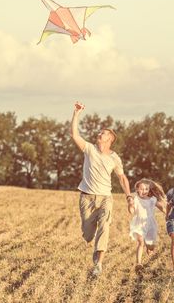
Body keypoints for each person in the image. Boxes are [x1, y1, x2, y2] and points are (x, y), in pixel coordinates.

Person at [71, 101, 133, 276]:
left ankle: (99, 263)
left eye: (103, 133)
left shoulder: (114, 158)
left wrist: (128, 197)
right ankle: (92, 245)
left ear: (110, 140)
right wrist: (76, 113)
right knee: (88, 234)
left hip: (106, 197)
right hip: (87, 197)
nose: (99, 134)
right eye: (100, 132)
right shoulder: (89, 149)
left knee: (105, 225)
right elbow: (75, 134)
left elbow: (122, 177)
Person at [128, 178, 166, 270]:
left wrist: (166, 213)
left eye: (146, 189)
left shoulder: (152, 199)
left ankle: (149, 247)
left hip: (150, 224)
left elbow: (161, 207)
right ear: (137, 189)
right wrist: (130, 204)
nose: (144, 191)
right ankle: (138, 263)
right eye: (141, 189)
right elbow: (131, 211)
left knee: (150, 245)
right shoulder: (135, 199)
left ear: (149, 190)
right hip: (139, 224)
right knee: (140, 242)